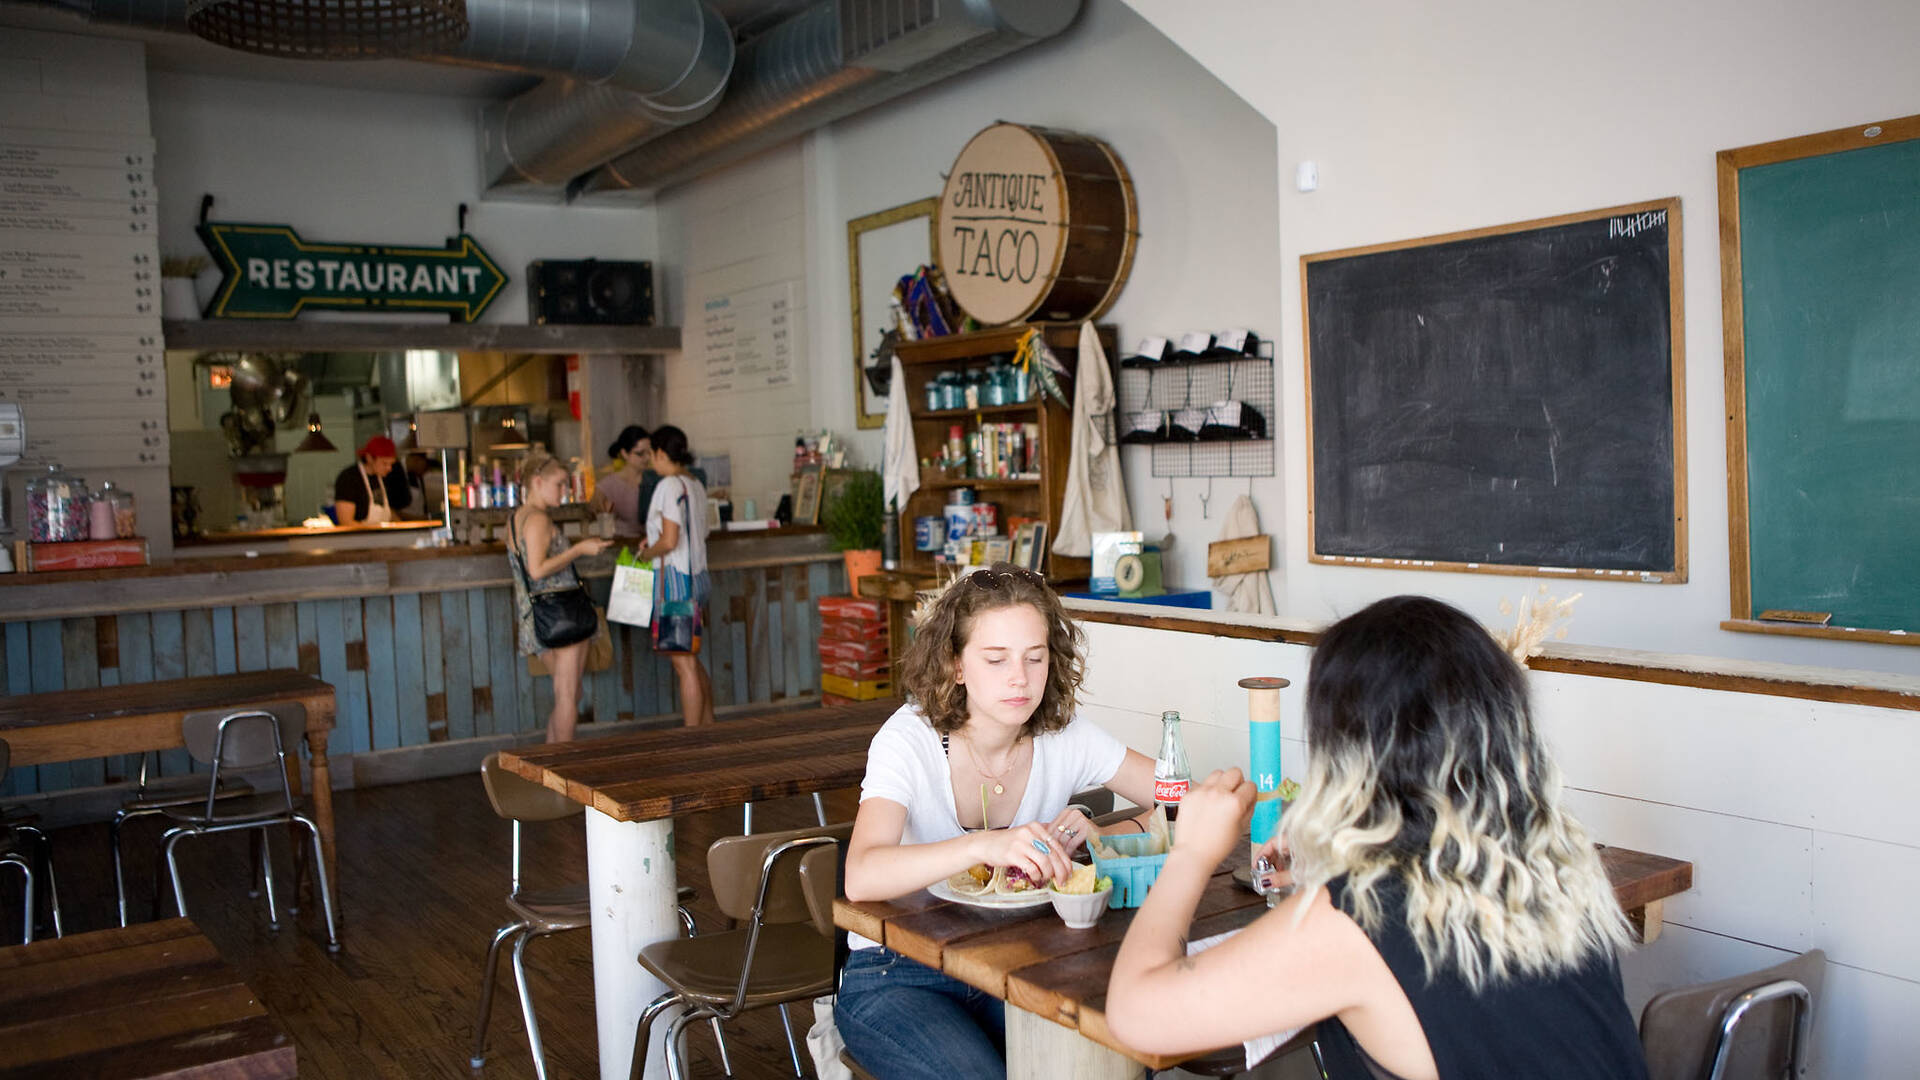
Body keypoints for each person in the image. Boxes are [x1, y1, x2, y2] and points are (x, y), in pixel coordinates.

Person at [1106, 595, 1646, 1080]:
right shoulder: (1558, 868)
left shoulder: (1359, 920)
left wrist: (1192, 853)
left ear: (1347, 752)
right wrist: (1332, 857)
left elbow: (1135, 1015)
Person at [837, 564, 1160, 1080]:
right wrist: (984, 845)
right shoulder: (907, 739)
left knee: (1112, 1063)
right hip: (897, 975)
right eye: (996, 659)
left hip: (1017, 964)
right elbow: (862, 875)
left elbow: (1186, 799)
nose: (1021, 678)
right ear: (956, 665)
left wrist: (1117, 836)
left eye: (1036, 658)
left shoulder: (1064, 734)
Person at [508, 452, 612, 742]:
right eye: (560, 484)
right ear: (537, 482)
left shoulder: (517, 517)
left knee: (568, 693)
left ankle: (550, 766)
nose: (565, 492)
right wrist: (579, 549)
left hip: (537, 618)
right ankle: (560, 778)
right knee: (568, 696)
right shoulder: (539, 519)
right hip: (561, 615)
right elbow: (538, 569)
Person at [627, 425, 715, 727]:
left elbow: (669, 541)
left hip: (676, 581)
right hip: (697, 578)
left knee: (684, 663)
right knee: (690, 656)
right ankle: (707, 726)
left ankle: (692, 738)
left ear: (662, 453)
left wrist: (644, 554)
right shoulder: (695, 484)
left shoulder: (668, 487)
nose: (651, 459)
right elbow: (698, 533)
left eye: (652, 453)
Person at [594, 425, 656, 536]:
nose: (647, 458)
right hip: (623, 544)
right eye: (640, 454)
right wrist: (603, 510)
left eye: (649, 453)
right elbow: (595, 507)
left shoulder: (654, 479)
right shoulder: (609, 484)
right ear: (624, 453)